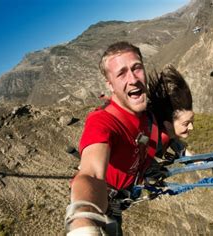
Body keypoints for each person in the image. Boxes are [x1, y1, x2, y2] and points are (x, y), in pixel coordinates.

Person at [66, 41, 156, 235]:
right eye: (121, 73)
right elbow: (92, 174)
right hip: (104, 204)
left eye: (137, 68)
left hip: (124, 194)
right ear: (110, 84)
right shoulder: (102, 121)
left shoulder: (144, 112)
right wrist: (83, 220)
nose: (133, 79)